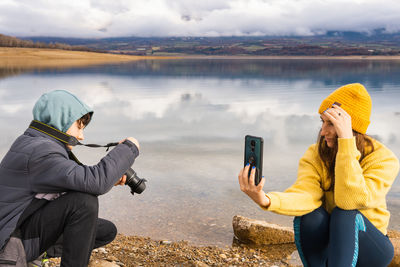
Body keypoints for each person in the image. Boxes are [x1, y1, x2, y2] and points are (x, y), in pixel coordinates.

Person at [238, 83, 399, 267]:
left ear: (351, 127)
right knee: (310, 215)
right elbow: (306, 195)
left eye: (331, 123)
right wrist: (265, 200)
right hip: (335, 244)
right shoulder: (315, 154)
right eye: (322, 122)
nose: (323, 132)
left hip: (371, 248)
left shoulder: (384, 159)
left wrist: (346, 143)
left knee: (344, 213)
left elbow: (350, 201)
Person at [0, 90, 140, 267]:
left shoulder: (34, 142)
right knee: (84, 203)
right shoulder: (40, 152)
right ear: (60, 120)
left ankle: (40, 254)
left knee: (105, 231)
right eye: (79, 127)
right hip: (7, 250)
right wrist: (130, 147)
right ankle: (30, 257)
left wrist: (110, 178)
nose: (81, 136)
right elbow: (95, 183)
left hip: (20, 230)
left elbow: (77, 181)